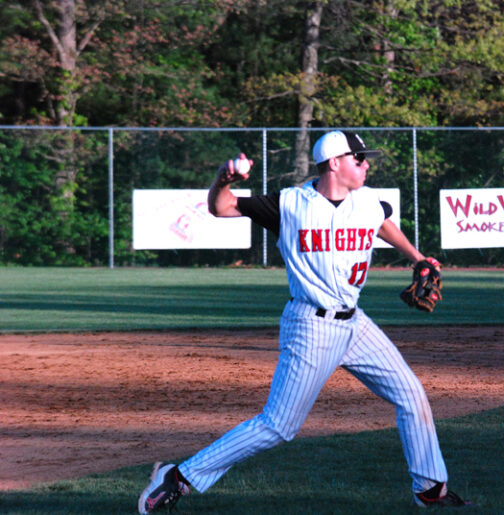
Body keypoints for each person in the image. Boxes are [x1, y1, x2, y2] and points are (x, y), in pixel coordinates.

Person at [138, 130, 469, 513]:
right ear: (334, 163)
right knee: (278, 426)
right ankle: (179, 476)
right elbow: (222, 207)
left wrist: (417, 257)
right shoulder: (289, 204)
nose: (365, 164)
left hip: (355, 324)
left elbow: (383, 223)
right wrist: (222, 180)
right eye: (358, 158)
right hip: (311, 326)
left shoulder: (367, 203)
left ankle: (431, 489)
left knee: (411, 394)